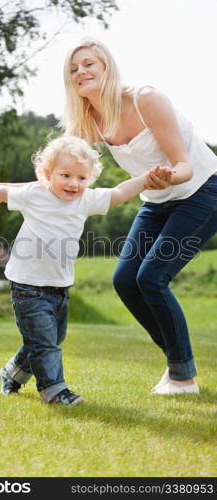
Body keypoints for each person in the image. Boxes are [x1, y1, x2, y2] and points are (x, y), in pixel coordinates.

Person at [0, 135, 173, 405]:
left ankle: (12, 373)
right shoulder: (33, 194)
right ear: (47, 174)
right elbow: (2, 190)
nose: (74, 184)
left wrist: (146, 179)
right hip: (28, 285)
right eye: (65, 175)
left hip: (60, 286)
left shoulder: (85, 200)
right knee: (45, 344)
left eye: (81, 178)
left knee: (49, 338)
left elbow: (120, 193)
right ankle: (54, 390)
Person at [61, 39, 217, 395]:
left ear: (106, 67)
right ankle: (178, 363)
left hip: (203, 190)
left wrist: (168, 176)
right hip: (157, 199)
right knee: (125, 281)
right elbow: (61, 165)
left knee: (151, 278)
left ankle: (182, 377)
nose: (81, 72)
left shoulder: (146, 99)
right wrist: (14, 192)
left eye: (89, 64)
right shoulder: (88, 120)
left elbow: (185, 166)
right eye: (73, 69)